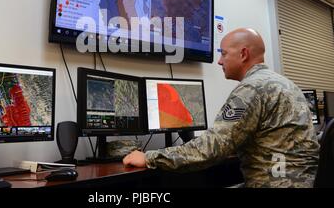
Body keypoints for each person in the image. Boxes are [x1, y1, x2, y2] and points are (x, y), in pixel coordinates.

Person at [123, 28, 320, 187]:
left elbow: (210, 149)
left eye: (223, 54)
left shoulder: (252, 88)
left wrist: (149, 157)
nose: (219, 61)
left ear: (243, 54)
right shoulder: (286, 83)